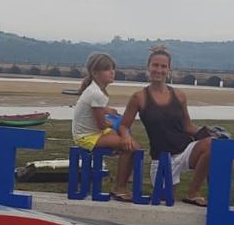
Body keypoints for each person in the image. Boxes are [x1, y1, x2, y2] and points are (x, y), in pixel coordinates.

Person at [119, 46, 211, 207]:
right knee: (165, 203)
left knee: (212, 145)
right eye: (155, 65)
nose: (159, 70)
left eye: (163, 66)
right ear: (148, 67)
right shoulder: (139, 97)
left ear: (169, 69)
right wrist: (126, 136)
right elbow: (124, 126)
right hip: (161, 158)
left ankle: (193, 192)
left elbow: (187, 125)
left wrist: (206, 132)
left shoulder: (179, 95)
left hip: (185, 150)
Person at [72, 52, 139, 201]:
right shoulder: (97, 94)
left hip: (91, 132)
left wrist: (107, 111)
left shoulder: (95, 90)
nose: (112, 72)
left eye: (112, 69)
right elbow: (101, 125)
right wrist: (110, 123)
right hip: (87, 137)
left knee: (127, 141)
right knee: (130, 146)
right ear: (95, 73)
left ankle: (123, 178)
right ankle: (120, 187)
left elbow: (96, 112)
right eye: (107, 69)